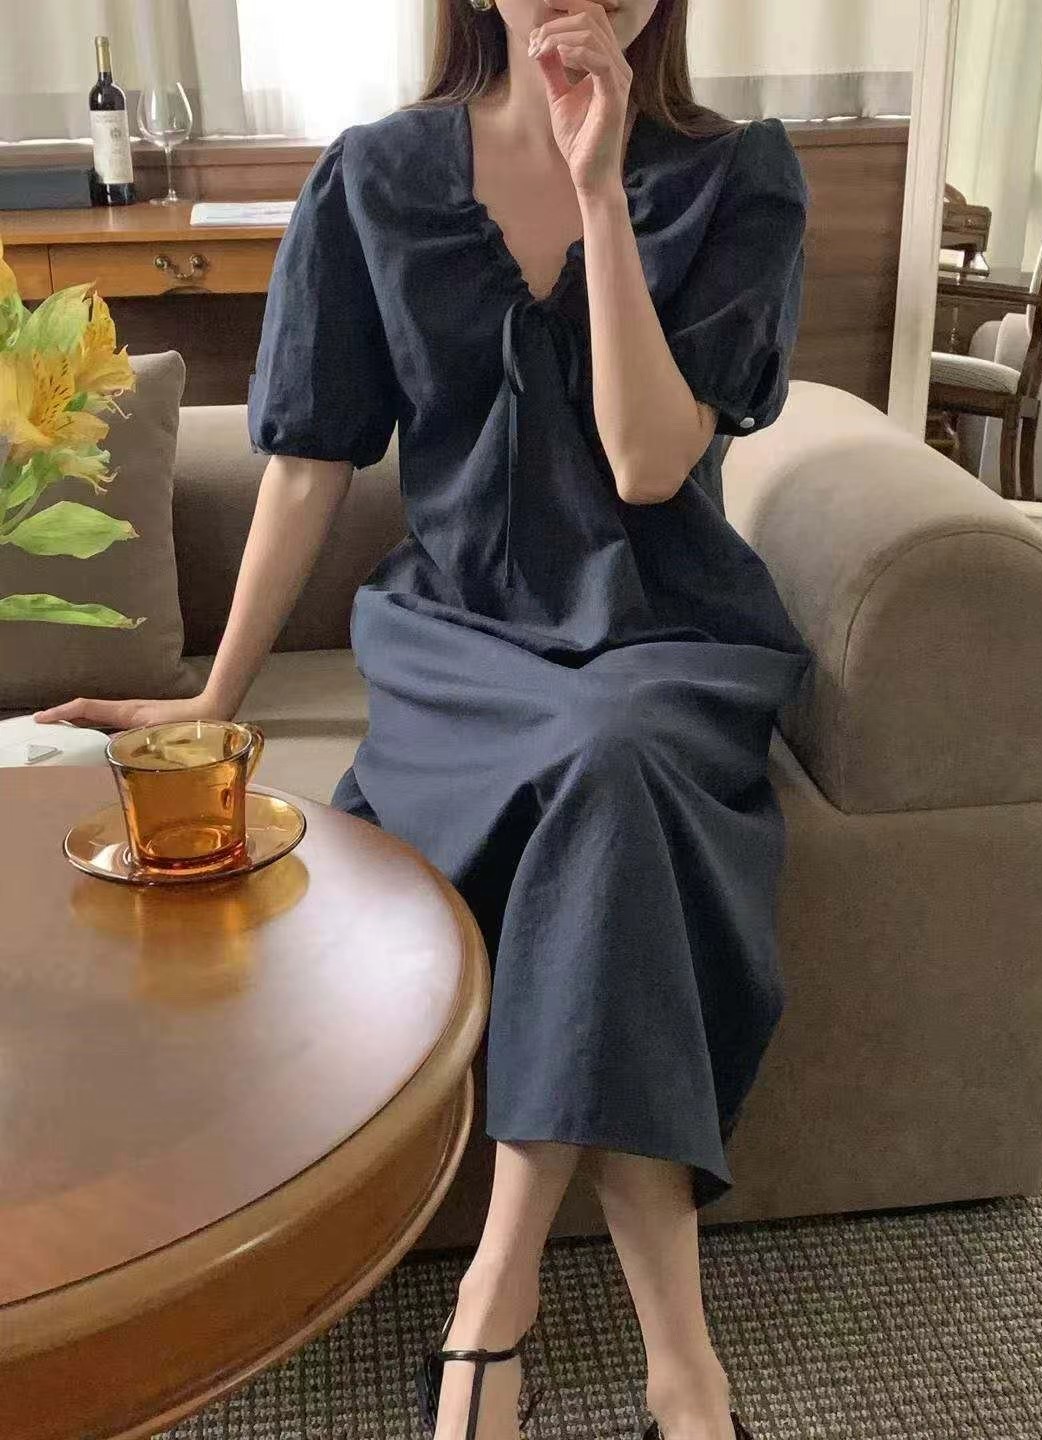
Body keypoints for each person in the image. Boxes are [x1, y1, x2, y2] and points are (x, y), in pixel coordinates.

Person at [36, 1, 813, 1436]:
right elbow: (309, 461)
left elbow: (648, 467)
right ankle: (684, 1377)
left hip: (667, 630)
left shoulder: (736, 175)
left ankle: (493, 1302)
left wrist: (601, 191)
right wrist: (215, 691)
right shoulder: (375, 175)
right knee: (609, 791)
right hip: (462, 638)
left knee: (614, 758)